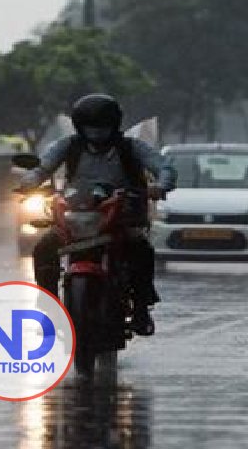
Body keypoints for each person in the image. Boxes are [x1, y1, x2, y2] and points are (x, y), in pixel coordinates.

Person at [20, 93, 175, 336]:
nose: (96, 133)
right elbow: (43, 166)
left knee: (141, 249)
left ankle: (141, 310)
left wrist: (161, 186)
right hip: (76, 215)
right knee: (43, 248)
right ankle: (49, 308)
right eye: (90, 127)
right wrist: (30, 181)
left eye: (102, 127)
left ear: (114, 125)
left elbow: (163, 166)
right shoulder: (68, 146)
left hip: (120, 216)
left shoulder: (131, 147)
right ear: (79, 126)